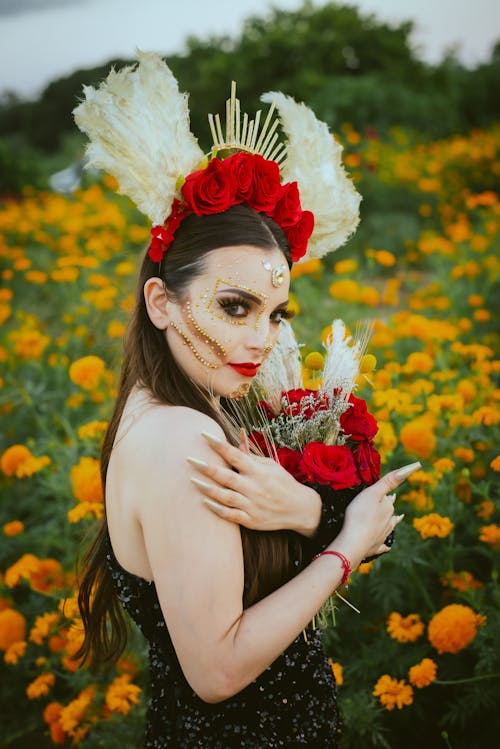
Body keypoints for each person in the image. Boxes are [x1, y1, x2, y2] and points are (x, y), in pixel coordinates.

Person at [73, 53, 421, 748]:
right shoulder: (178, 440)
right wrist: (346, 543)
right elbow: (217, 667)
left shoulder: (181, 401)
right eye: (235, 306)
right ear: (162, 302)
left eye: (276, 313)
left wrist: (301, 509)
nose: (261, 339)